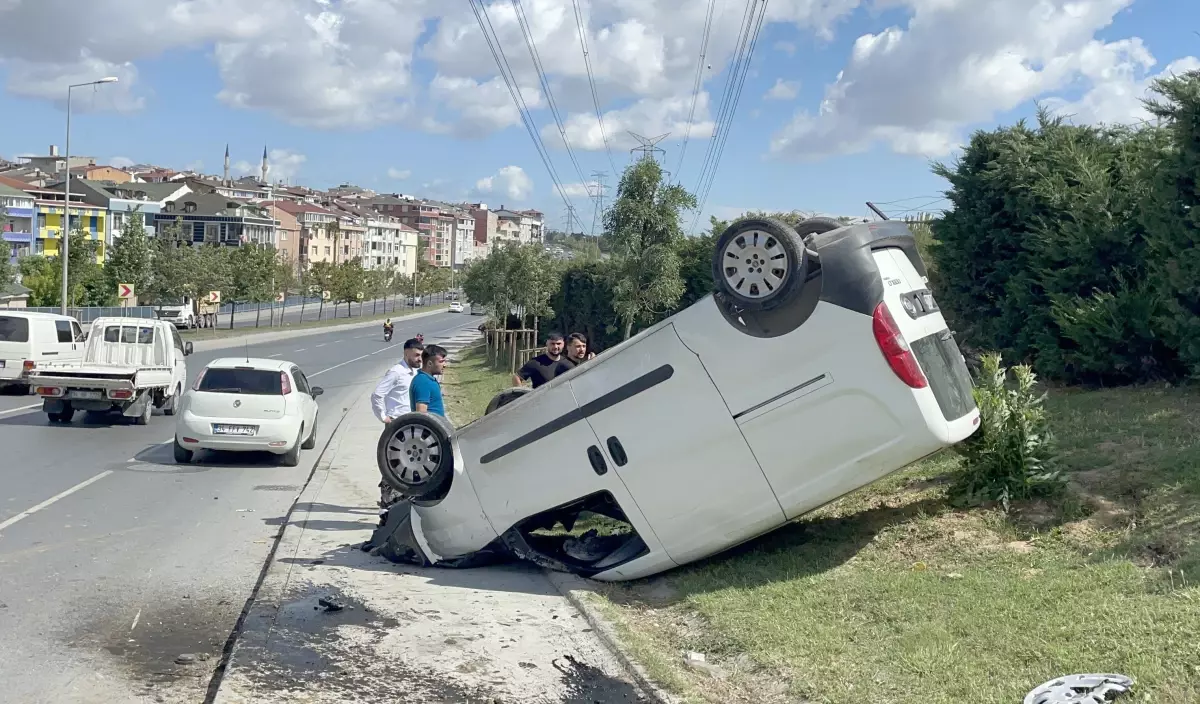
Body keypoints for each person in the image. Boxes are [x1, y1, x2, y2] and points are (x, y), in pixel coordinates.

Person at [371, 338, 424, 424]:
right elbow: (377, 395)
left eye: (421, 355)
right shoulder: (396, 372)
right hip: (397, 422)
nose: (420, 359)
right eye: (417, 355)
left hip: (411, 420)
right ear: (406, 353)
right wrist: (383, 417)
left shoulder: (414, 372)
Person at [410, 344, 449, 417]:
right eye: (441, 362)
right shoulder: (423, 382)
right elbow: (421, 415)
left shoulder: (428, 379)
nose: (444, 365)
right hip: (430, 428)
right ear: (430, 364)